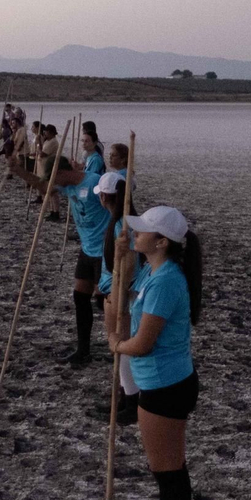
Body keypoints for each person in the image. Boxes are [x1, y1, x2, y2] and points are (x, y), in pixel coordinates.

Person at [105, 205, 202, 500]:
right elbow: (121, 294)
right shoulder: (155, 270)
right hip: (163, 382)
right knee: (169, 469)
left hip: (165, 385)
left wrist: (115, 344)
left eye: (143, 232)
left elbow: (142, 343)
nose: (136, 234)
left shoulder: (166, 282)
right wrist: (121, 255)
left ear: (162, 242)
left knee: (169, 473)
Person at [6, 142, 109, 365]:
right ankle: (84, 350)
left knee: (105, 302)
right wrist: (19, 171)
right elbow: (43, 187)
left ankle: (119, 346)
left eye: (53, 177)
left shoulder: (94, 183)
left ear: (62, 172)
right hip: (86, 250)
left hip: (104, 251)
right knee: (80, 298)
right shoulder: (65, 185)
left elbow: (117, 208)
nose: (52, 183)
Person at [93, 171, 140, 425]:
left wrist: (117, 298)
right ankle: (124, 398)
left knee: (121, 347)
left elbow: (129, 264)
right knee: (119, 348)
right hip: (116, 289)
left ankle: (130, 402)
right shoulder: (121, 220)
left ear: (104, 197)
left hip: (122, 291)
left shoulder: (123, 225)